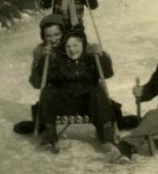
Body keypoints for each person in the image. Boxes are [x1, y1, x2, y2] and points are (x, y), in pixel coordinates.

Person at [36, 32, 124, 160]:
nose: (72, 50)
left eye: (75, 45)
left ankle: (107, 140)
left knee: (97, 92)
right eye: (68, 47)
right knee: (47, 91)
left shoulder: (90, 60)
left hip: (88, 105)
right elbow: (40, 79)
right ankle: (50, 137)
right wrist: (44, 58)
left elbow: (108, 73)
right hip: (66, 104)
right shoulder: (59, 61)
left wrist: (101, 55)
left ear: (83, 45)